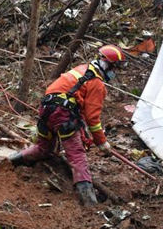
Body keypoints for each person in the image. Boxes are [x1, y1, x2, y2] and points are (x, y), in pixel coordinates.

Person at [8, 45, 127, 205]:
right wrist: (102, 142)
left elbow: (79, 109)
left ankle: (10, 162)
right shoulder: (96, 83)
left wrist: (83, 133)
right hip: (62, 114)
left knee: (44, 148)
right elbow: (93, 119)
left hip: (46, 109)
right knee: (77, 155)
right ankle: (90, 203)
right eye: (115, 69)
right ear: (109, 65)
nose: (115, 73)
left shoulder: (81, 69)